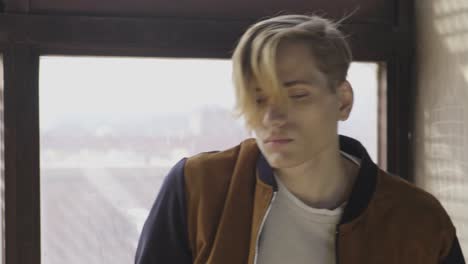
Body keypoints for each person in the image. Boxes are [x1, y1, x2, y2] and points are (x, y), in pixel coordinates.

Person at [135, 14, 465, 264]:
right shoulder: (198, 188)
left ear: (343, 100)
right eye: (259, 99)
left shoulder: (418, 221)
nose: (272, 119)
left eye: (297, 95)